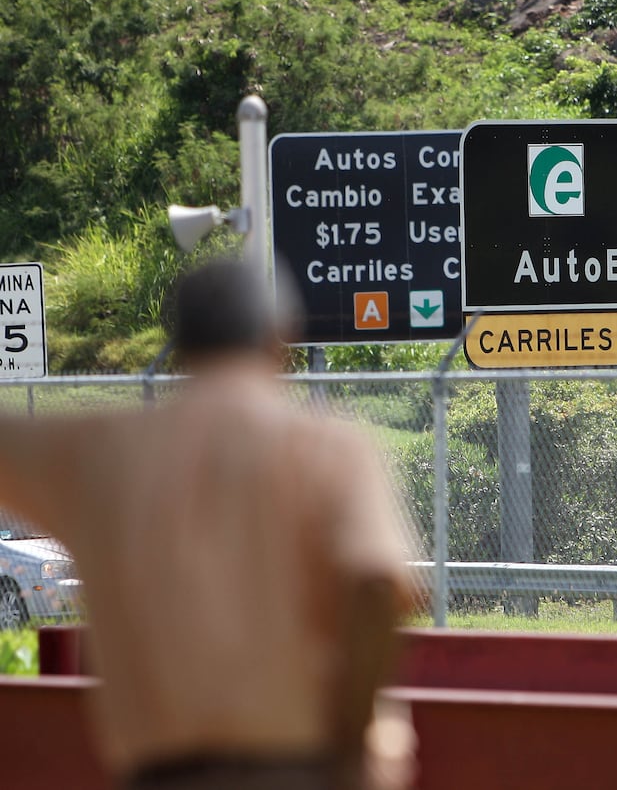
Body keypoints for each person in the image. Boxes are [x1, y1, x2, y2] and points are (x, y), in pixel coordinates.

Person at [0, 258, 417, 790]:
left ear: (180, 345)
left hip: (160, 776)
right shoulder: (333, 450)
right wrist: (351, 745)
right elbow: (377, 585)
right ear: (280, 341)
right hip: (301, 770)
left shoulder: (99, 454)